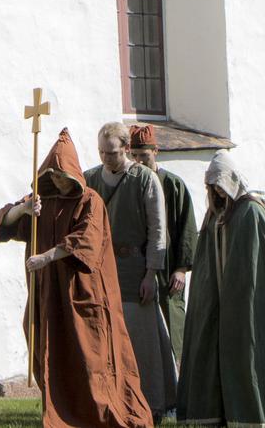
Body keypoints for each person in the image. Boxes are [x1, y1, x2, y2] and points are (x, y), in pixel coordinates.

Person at [0, 128, 154, 428]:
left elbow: (85, 241)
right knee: (47, 352)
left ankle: (100, 414)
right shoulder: (40, 201)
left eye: (60, 175)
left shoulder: (89, 201)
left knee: (90, 356)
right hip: (47, 297)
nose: (56, 181)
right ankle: (62, 411)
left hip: (81, 295)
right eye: (51, 175)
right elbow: (5, 223)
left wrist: (47, 256)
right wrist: (23, 209)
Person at [176, 152, 265, 428]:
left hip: (245, 303)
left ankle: (258, 414)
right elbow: (206, 264)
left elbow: (257, 265)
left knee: (249, 354)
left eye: (220, 184)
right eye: (211, 186)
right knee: (211, 355)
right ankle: (218, 414)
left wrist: (239, 297)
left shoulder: (251, 212)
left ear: (232, 180)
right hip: (217, 306)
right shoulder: (214, 217)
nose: (216, 191)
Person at [84, 122, 177, 418]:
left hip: (135, 272)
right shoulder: (89, 179)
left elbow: (157, 229)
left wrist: (151, 273)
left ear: (125, 148)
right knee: (105, 342)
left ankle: (153, 404)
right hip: (101, 272)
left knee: (142, 342)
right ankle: (111, 403)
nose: (105, 158)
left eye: (111, 152)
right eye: (101, 152)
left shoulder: (145, 179)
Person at [128, 125, 197, 365]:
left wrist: (181, 268)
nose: (138, 161)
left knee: (173, 327)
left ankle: (180, 380)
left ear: (155, 151)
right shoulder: (129, 184)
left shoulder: (173, 185)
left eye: (143, 156)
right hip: (138, 268)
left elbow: (186, 228)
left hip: (169, 271)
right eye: (134, 156)